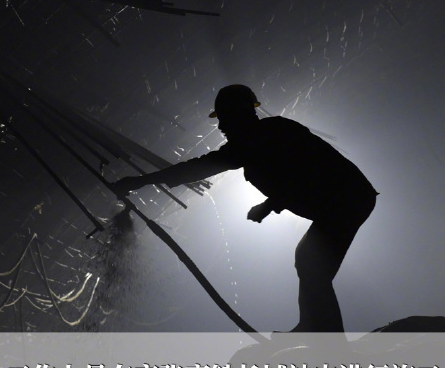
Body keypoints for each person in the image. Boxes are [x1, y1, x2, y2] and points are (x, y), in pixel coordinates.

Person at [112, 84, 378, 332]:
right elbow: (201, 167)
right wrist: (271, 204)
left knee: (311, 264)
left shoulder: (271, 134)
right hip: (343, 200)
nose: (221, 127)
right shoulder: (256, 141)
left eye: (223, 119)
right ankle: (313, 327)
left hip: (345, 198)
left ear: (238, 114)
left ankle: (322, 336)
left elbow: (307, 172)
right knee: (308, 260)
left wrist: (269, 205)